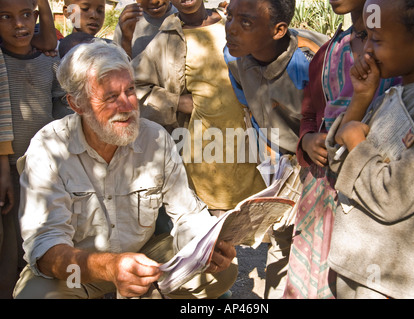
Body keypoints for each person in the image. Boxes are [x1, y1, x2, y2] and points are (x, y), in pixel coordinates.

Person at [13, 40, 237, 299]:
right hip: (78, 274)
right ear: (77, 105)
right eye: (111, 97)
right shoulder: (49, 148)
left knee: (223, 271)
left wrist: (208, 244)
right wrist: (109, 268)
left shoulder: (155, 139)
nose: (128, 106)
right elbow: (46, 248)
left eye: (130, 90)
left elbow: (187, 215)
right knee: (35, 296)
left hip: (145, 266)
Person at [283, 0, 414, 300]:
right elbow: (337, 161)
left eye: (377, 40)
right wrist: (360, 99)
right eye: (365, 37)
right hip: (361, 271)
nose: (366, 50)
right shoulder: (391, 93)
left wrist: (358, 144)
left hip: (390, 282)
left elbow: (394, 197)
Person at [223, 0, 327, 298]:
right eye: (229, 16)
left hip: (318, 161)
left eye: (245, 22)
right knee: (281, 237)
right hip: (279, 162)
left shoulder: (313, 59)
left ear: (279, 29)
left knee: (315, 241)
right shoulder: (234, 55)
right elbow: (249, 106)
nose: (230, 28)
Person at [131, 0, 266, 219]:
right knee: (214, 236)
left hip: (248, 145)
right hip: (205, 153)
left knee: (258, 223)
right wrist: (175, 102)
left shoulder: (230, 23)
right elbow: (134, 88)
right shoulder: (166, 39)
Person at [0, 0, 71, 299]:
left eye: (27, 15)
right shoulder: (1, 63)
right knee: (9, 247)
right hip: (8, 171)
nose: (19, 25)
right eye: (6, 17)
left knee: (41, 239)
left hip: (43, 171)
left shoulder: (49, 62)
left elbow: (62, 110)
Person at [113, 0, 178, 59]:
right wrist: (126, 41)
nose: (154, 2)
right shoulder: (127, 22)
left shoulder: (183, 17)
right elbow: (118, 66)